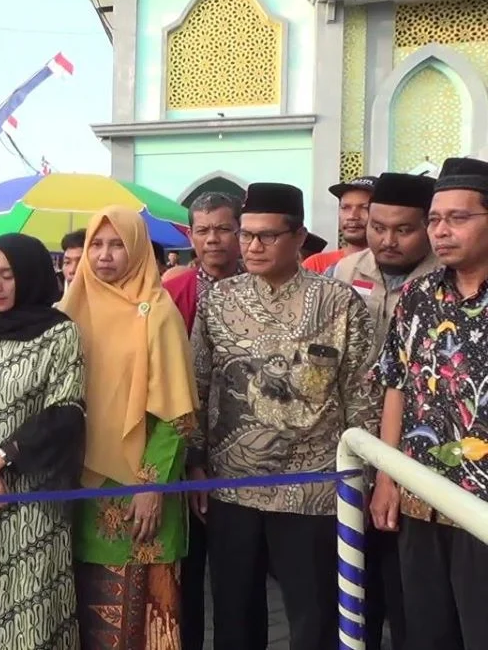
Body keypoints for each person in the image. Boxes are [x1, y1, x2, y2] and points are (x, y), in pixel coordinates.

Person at [190, 182, 377, 650]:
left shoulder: (339, 302)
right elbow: (199, 382)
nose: (252, 246)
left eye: (267, 236)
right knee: (233, 614)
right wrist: (194, 460)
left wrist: (365, 479)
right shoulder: (218, 300)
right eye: (248, 235)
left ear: (298, 237)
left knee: (312, 614)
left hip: (312, 488)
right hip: (231, 484)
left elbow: (361, 393)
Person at [62, 207, 198, 650]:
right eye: (96, 245)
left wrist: (151, 485)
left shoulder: (157, 313)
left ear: (138, 249)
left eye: (117, 244)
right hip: (80, 484)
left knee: (141, 617)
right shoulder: (69, 310)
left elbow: (177, 415)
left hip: (140, 489)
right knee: (83, 606)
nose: (104, 255)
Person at [369, 156, 488, 650]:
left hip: (482, 510)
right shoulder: (418, 296)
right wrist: (387, 477)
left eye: (458, 218)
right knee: (425, 632)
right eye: (435, 219)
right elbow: (397, 384)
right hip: (421, 501)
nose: (441, 230)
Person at [0, 233, 85, 650]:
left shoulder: (61, 333)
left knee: (30, 602)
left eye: (7, 275)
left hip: (34, 491)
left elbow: (66, 412)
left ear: (29, 275)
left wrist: (3, 458)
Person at [330, 171, 437, 650]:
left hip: (419, 449)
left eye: (403, 230)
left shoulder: (441, 279)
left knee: (411, 589)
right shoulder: (346, 272)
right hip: (353, 442)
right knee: (358, 578)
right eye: (377, 226)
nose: (386, 240)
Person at [161, 191, 244, 650]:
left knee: (237, 577)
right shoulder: (170, 295)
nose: (212, 239)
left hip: (243, 458)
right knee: (187, 577)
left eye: (223, 228)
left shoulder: (259, 289)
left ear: (240, 231)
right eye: (203, 230)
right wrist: (190, 457)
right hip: (183, 455)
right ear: (190, 235)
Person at [302, 175, 376, 273]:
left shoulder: (393, 268)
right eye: (345, 207)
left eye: (364, 207)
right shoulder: (316, 265)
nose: (352, 216)